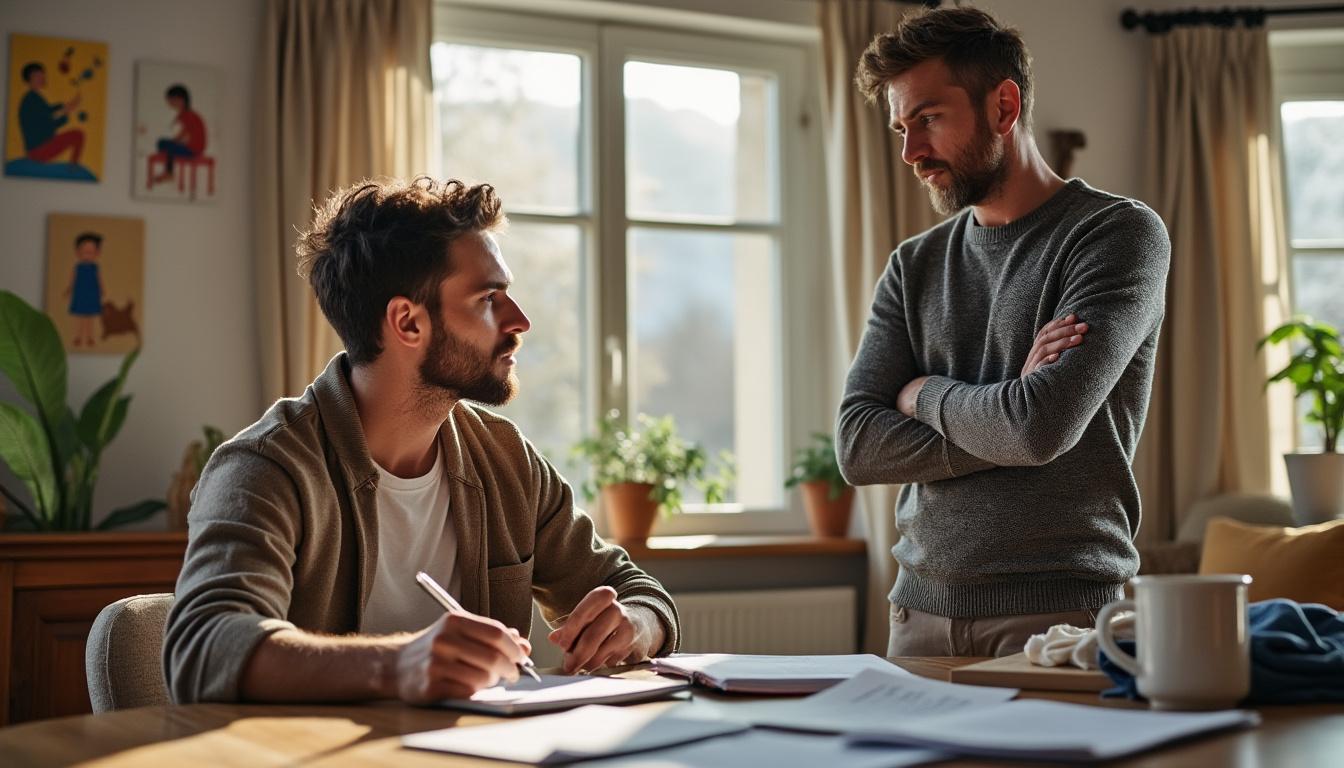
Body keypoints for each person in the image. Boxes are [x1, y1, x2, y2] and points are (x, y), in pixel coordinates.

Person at [165, 177, 680, 704]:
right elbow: (202, 648)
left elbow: (640, 594)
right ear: (408, 322)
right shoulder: (265, 469)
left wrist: (635, 625)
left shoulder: (505, 459)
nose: (520, 321)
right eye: (488, 298)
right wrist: (395, 665)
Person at [836, 7, 1170, 657]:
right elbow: (858, 445)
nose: (910, 152)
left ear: (1004, 105)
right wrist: (1007, 413)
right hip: (918, 619)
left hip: (1064, 618)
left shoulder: (1117, 235)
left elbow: (1038, 427)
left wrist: (922, 393)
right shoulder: (914, 264)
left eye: (928, 119)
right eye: (902, 128)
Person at [17, 62, 84, 164]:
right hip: (39, 150)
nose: (42, 78)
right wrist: (65, 111)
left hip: (40, 147)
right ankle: (74, 168)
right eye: (37, 76)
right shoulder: (30, 100)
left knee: (77, 135)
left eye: (42, 75)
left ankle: (73, 167)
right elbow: (47, 123)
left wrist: (65, 107)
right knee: (78, 135)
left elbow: (48, 111)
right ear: (29, 79)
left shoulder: (34, 97)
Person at [151, 83, 207, 185]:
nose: (170, 103)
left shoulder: (188, 115)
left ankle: (169, 173)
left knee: (168, 146)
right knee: (162, 143)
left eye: (172, 100)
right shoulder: (184, 114)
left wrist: (174, 141)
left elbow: (184, 133)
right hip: (189, 146)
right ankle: (168, 165)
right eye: (169, 101)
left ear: (181, 100)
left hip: (194, 149)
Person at [64, 232, 103, 347]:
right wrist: (69, 289)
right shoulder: (78, 267)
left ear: (97, 253)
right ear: (78, 252)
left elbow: (99, 279)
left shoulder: (95, 267)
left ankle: (90, 337)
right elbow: (73, 280)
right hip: (80, 293)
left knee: (90, 318)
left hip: (91, 293)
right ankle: (78, 337)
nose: (87, 254)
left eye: (91, 252)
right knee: (80, 317)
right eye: (84, 252)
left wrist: (101, 289)